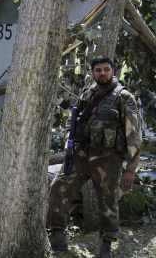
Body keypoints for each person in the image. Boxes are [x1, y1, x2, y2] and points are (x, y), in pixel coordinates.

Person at [47, 56, 142, 258]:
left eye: (106, 69)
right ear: (92, 73)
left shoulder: (124, 97)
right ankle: (57, 233)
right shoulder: (87, 93)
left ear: (113, 71)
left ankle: (106, 244)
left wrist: (130, 170)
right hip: (81, 155)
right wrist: (68, 139)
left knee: (108, 202)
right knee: (58, 188)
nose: (102, 73)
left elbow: (134, 136)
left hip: (108, 159)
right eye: (98, 70)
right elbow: (72, 121)